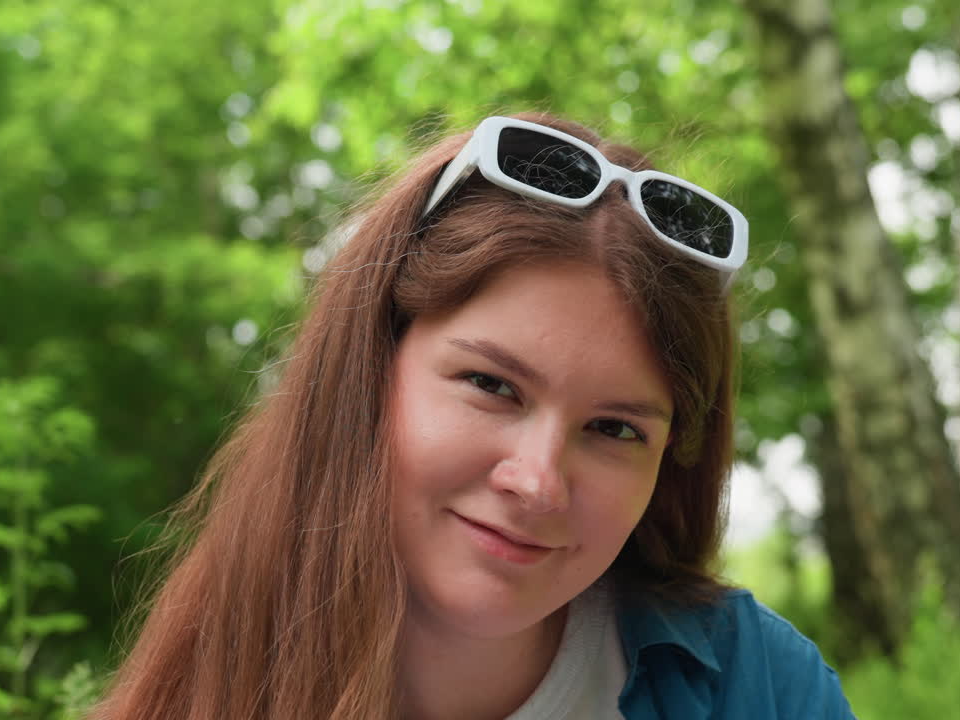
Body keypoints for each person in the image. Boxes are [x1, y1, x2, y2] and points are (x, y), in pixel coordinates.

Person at [93, 112, 854, 719]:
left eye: (615, 429)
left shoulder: (757, 688)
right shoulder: (198, 692)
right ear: (370, 369)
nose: (538, 483)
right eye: (493, 385)